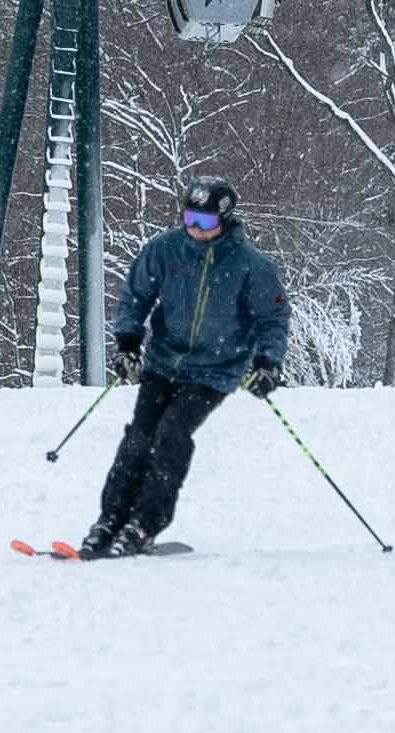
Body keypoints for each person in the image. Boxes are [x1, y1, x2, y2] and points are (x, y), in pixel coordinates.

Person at [81, 176, 289, 558]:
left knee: (172, 432)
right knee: (138, 438)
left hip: (215, 370)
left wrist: (267, 363)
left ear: (225, 221)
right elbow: (135, 295)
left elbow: (273, 318)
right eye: (190, 218)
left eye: (205, 222)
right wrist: (128, 343)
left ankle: (145, 523)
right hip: (163, 362)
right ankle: (111, 519)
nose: (195, 228)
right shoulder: (166, 250)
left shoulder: (250, 266)